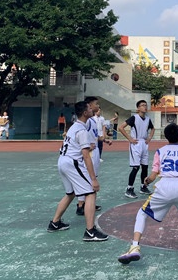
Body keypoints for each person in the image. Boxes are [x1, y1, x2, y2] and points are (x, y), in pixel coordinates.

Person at [117, 123, 178, 264]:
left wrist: (147, 181)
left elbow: (153, 176)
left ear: (166, 137)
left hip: (164, 186)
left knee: (142, 213)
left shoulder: (160, 152)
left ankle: (135, 247)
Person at [47, 100, 108, 242]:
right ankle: (90, 231)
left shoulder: (74, 127)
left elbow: (73, 144)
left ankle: (55, 223)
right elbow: (86, 156)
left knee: (71, 193)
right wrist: (93, 179)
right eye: (89, 108)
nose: (92, 109)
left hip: (62, 161)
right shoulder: (82, 130)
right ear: (85, 112)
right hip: (72, 163)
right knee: (91, 192)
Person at [118, 100, 155, 199]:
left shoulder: (148, 119)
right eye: (142, 105)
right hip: (136, 144)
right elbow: (121, 127)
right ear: (138, 108)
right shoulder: (134, 118)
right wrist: (130, 138)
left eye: (145, 105)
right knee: (136, 167)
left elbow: (153, 129)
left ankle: (143, 187)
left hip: (144, 144)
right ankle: (129, 189)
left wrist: (149, 138)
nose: (145, 107)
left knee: (145, 166)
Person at [76, 97, 105, 216]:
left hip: (95, 151)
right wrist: (87, 145)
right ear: (89, 106)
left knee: (93, 176)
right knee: (89, 177)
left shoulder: (93, 120)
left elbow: (94, 135)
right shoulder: (87, 121)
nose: (98, 106)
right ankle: (81, 205)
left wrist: (104, 140)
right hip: (91, 153)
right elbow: (80, 133)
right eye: (96, 104)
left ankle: (90, 203)